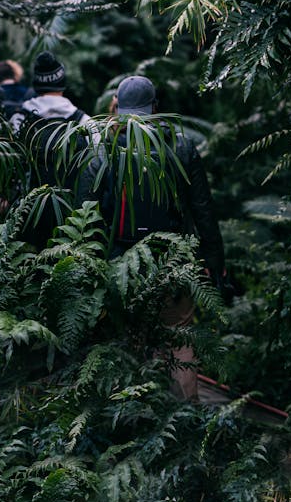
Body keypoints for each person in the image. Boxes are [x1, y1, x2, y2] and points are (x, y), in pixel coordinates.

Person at [78, 75, 226, 400]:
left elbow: (84, 212)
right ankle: (184, 418)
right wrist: (214, 260)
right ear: (156, 107)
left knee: (130, 339)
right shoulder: (181, 146)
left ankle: (133, 415)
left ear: (117, 108)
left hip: (122, 266)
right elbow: (203, 209)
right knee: (178, 337)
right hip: (174, 259)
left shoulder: (104, 150)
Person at [11, 51, 91, 245]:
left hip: (27, 215)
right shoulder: (84, 122)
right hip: (71, 216)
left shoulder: (19, 120)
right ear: (62, 82)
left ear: (37, 84)